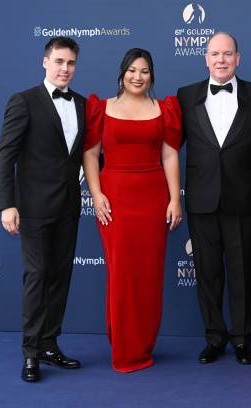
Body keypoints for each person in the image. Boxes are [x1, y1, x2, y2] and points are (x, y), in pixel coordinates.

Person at [177, 32, 251, 365]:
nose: (221, 60)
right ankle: (214, 337)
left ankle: (242, 339)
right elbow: (167, 147)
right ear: (205, 58)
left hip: (241, 198)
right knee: (207, 273)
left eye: (228, 54)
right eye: (215, 54)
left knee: (241, 271)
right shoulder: (185, 96)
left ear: (238, 58)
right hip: (201, 199)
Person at [83, 48, 182, 373]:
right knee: (122, 272)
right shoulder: (102, 108)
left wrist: (174, 199)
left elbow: (169, 156)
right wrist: (96, 195)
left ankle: (143, 344)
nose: (138, 77)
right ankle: (123, 347)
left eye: (144, 71)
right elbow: (91, 154)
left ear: (151, 75)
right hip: (115, 197)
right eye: (132, 71)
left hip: (153, 197)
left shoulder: (163, 108)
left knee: (149, 274)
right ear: (122, 73)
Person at [0, 37, 85, 382]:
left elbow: (88, 155)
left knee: (60, 276)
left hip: (69, 206)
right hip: (32, 207)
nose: (65, 69)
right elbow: (6, 155)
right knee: (37, 276)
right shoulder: (24, 101)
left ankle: (50, 344)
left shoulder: (80, 104)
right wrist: (8, 204)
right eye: (59, 61)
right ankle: (30, 353)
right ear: (45, 62)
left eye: (71, 63)